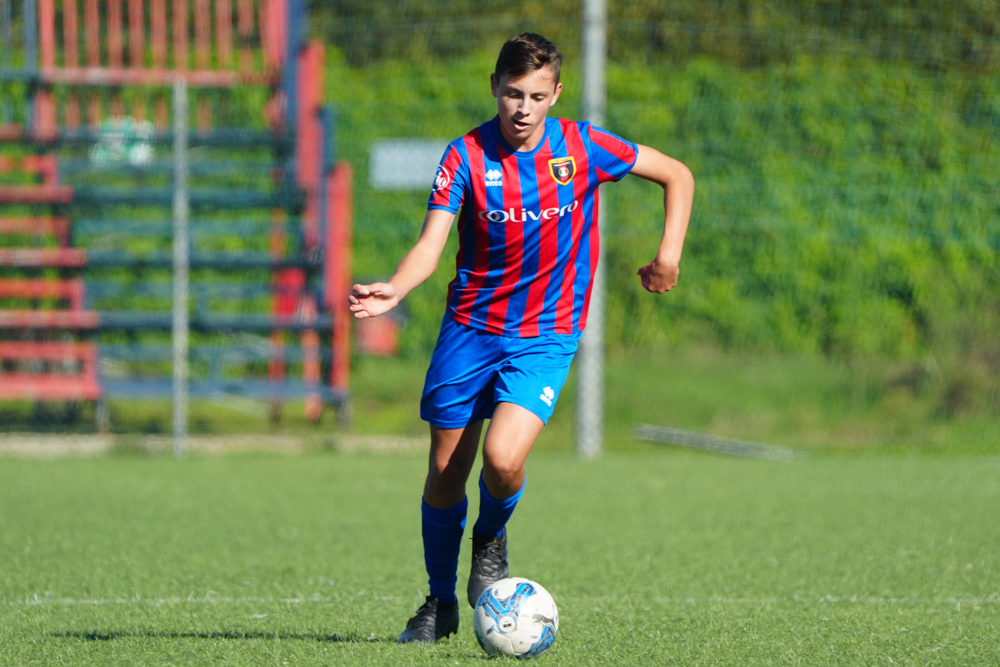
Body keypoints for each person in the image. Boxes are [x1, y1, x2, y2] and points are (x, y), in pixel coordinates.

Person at [349, 32, 694, 644]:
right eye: (513, 93)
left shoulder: (582, 147)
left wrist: (669, 255)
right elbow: (430, 245)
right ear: (494, 88)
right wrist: (395, 289)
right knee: (445, 473)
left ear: (556, 94)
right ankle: (439, 602)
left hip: (545, 335)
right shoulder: (465, 156)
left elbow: (677, 174)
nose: (523, 109)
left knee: (504, 461)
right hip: (469, 330)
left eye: (536, 96)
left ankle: (490, 540)